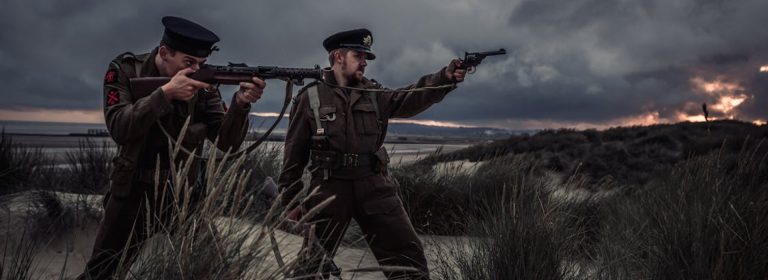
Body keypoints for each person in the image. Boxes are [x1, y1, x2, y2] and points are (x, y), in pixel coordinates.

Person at [78, 16, 266, 280]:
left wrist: (240, 104)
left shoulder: (204, 85)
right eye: (188, 63)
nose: (196, 70)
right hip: (131, 193)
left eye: (201, 63)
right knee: (102, 272)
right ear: (164, 53)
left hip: (183, 195)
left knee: (213, 268)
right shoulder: (126, 70)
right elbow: (120, 127)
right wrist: (165, 94)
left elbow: (227, 142)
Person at [277, 28, 467, 279]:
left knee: (409, 261)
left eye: (366, 57)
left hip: (374, 186)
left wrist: (445, 78)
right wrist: (289, 199)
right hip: (328, 188)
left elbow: (409, 98)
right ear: (338, 56)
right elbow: (294, 152)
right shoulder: (310, 96)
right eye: (358, 55)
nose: (365, 62)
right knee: (312, 266)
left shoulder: (374, 93)